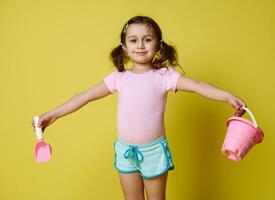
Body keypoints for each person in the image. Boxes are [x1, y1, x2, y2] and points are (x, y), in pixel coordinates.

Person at [31, 16, 246, 200]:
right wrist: (54, 114)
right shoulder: (118, 78)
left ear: (158, 45)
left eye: (147, 39)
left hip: (153, 152)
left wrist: (227, 96)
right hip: (125, 152)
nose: (140, 45)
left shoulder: (164, 77)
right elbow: (85, 96)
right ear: (124, 47)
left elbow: (198, 86)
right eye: (134, 40)